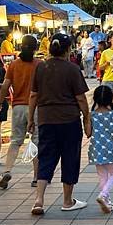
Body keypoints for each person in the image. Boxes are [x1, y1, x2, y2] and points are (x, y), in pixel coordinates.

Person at [28, 33, 91, 215]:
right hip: (69, 120)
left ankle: (39, 200)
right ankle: (67, 201)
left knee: (46, 157)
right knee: (70, 158)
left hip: (46, 119)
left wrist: (31, 119)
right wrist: (87, 119)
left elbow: (33, 95)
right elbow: (81, 99)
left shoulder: (41, 68)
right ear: (68, 49)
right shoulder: (72, 69)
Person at [0, 35, 40, 189]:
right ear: (35, 48)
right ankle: (36, 177)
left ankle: (7, 170)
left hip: (18, 107)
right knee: (36, 141)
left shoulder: (14, 65)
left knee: (15, 141)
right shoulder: (39, 64)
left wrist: (0, 102)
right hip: (35, 107)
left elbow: (5, 85)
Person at [88, 85, 113, 214]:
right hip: (111, 148)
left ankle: (107, 202)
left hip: (96, 149)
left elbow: (88, 133)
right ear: (111, 98)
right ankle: (103, 195)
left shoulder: (92, 115)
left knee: (102, 175)